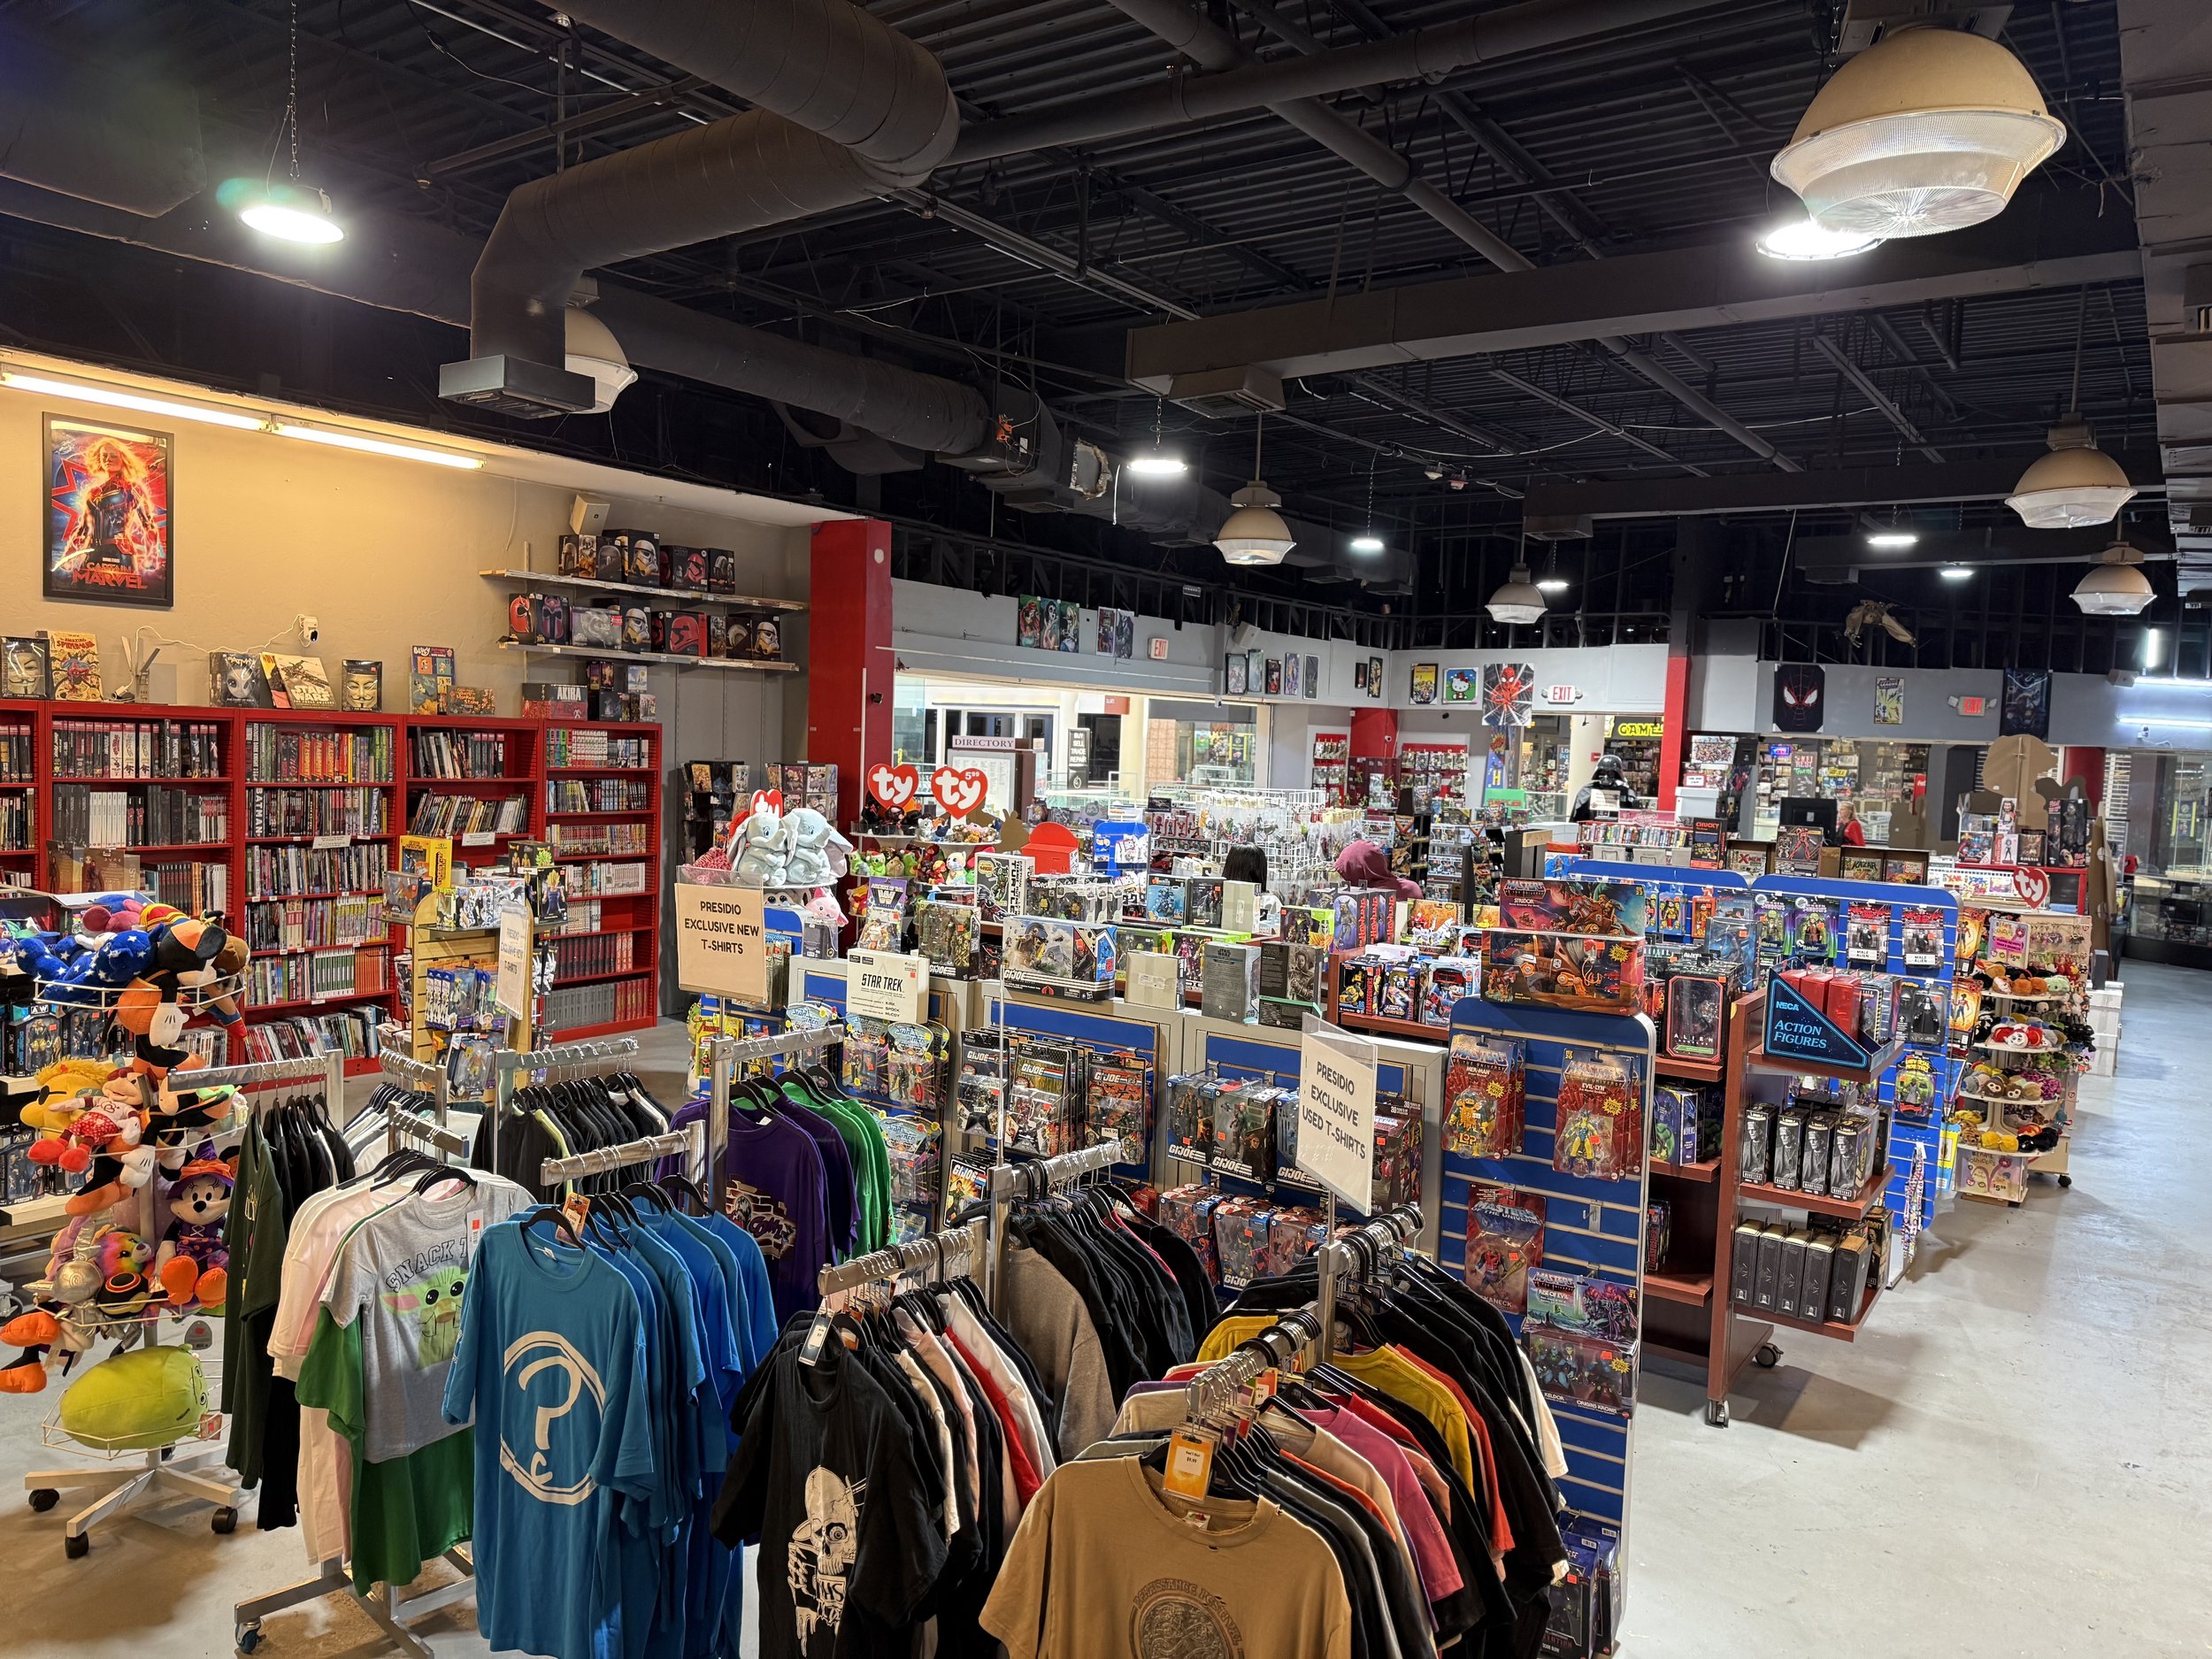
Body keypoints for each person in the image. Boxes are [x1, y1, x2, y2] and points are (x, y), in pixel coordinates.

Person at [1570, 755, 1640, 821]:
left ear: (1616, 774)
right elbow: (1577, 816)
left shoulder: (1626, 793)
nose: (1606, 777)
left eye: (1611, 774)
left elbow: (1635, 815)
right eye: (1603, 773)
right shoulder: (1587, 790)